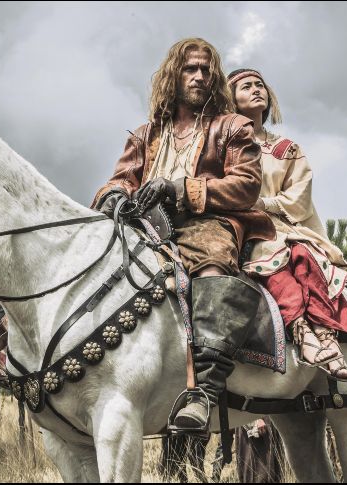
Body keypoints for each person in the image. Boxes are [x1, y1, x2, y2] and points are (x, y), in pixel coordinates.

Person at [91, 39, 275, 432]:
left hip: (206, 223)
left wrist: (180, 189)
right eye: (190, 68)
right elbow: (121, 178)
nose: (199, 76)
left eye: (206, 70)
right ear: (173, 75)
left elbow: (246, 185)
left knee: (212, 260)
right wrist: (112, 197)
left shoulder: (232, 126)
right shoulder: (145, 134)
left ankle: (204, 392)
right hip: (144, 225)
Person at [227, 68, 347, 381]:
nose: (255, 89)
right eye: (245, 86)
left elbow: (299, 196)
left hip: (283, 223)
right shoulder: (224, 145)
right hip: (245, 227)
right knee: (271, 253)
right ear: (231, 99)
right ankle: (301, 332)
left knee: (303, 253)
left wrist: (266, 203)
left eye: (260, 85)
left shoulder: (286, 149)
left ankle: (325, 338)